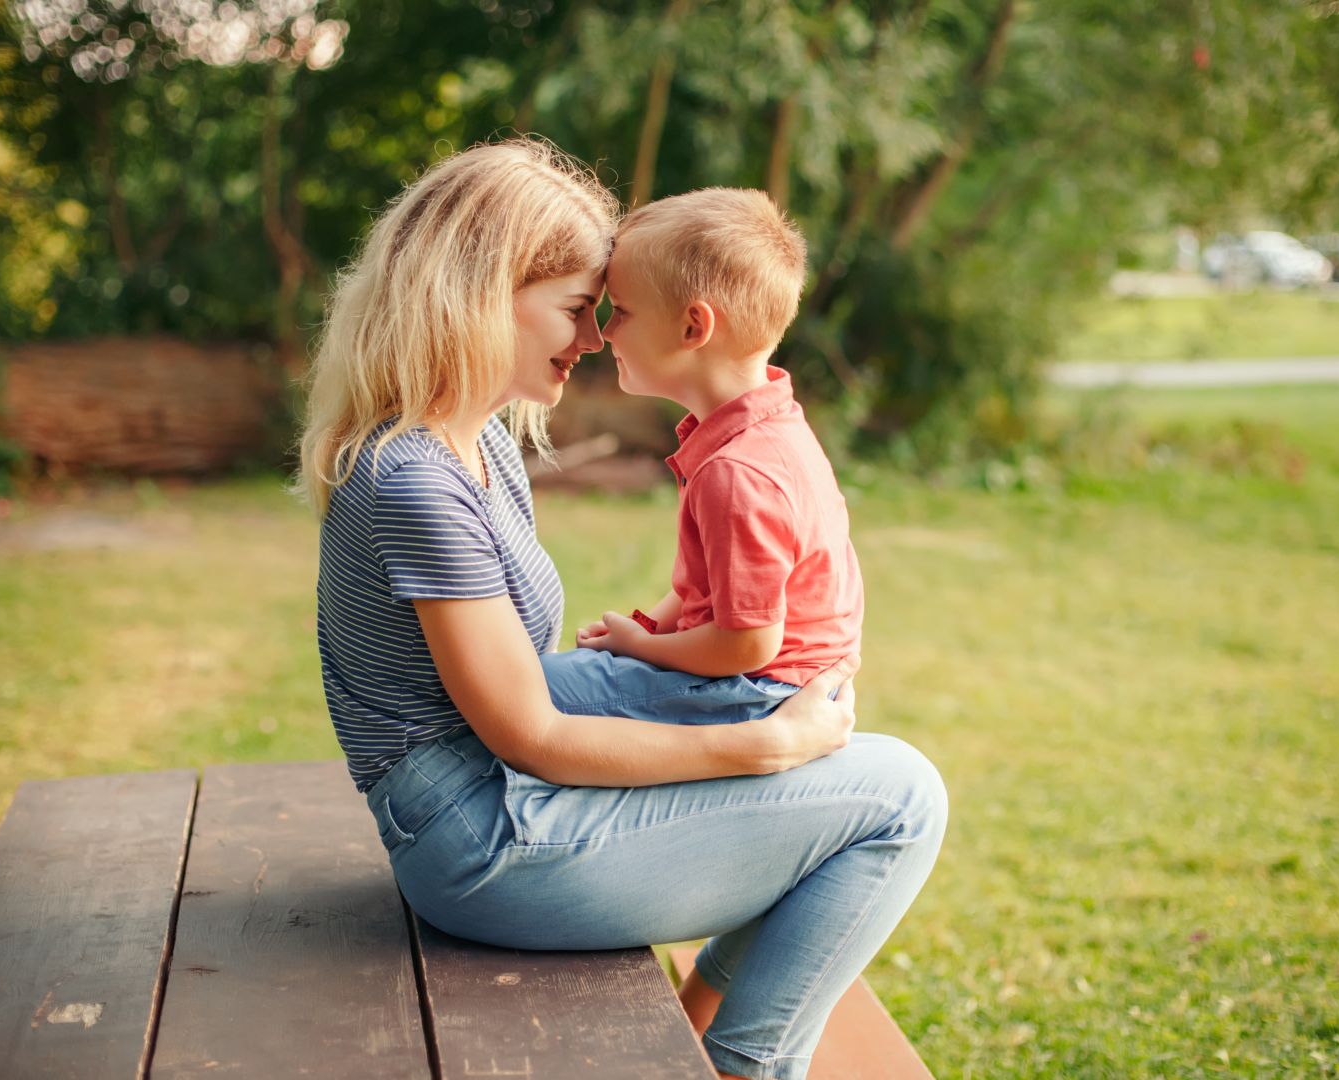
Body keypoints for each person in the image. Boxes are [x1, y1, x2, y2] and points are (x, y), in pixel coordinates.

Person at [297, 138, 947, 1080]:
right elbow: (530, 733)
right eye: (574, 309)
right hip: (481, 844)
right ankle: (743, 1065)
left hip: (497, 796)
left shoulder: (474, 448)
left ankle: (702, 1038)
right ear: (481, 296)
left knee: (845, 778)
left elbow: (532, 698)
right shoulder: (414, 483)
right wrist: (759, 747)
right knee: (901, 798)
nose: (597, 335)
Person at [538, 188, 864, 729]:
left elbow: (748, 643)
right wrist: (646, 628)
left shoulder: (738, 474)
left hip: (758, 694)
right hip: (763, 677)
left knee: (525, 692)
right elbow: (716, 587)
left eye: (620, 311)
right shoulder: (768, 429)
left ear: (693, 327)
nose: (604, 333)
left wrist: (643, 648)